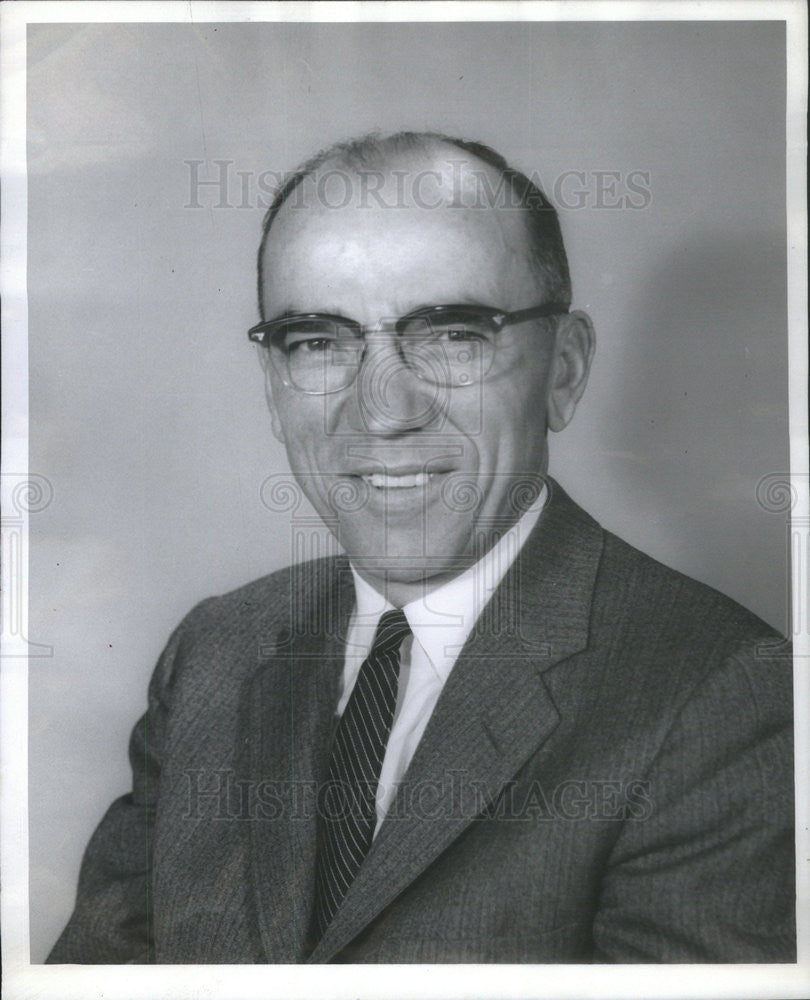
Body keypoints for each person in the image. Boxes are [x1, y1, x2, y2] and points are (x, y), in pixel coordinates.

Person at [48, 131, 795, 964]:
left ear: (565, 369)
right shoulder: (217, 651)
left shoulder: (723, 699)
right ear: (273, 387)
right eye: (319, 342)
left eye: (450, 335)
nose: (383, 409)